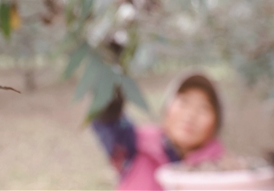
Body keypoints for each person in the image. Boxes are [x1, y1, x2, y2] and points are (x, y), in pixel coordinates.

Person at [92, 73, 224, 190]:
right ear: (167, 109)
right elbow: (110, 127)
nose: (191, 115)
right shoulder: (135, 145)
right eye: (184, 102)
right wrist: (108, 102)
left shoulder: (224, 173)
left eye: (204, 108)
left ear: (215, 123)